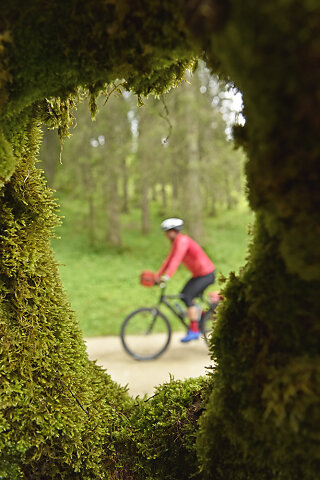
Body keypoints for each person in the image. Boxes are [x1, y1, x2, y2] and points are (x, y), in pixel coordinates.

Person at [156, 218, 215, 343]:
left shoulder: (182, 240)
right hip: (199, 275)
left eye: (167, 232)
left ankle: (194, 330)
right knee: (184, 296)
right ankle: (201, 320)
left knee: (187, 296)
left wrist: (167, 276)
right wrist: (158, 275)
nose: (165, 235)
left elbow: (177, 259)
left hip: (206, 274)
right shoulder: (176, 242)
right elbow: (168, 260)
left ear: (173, 231)